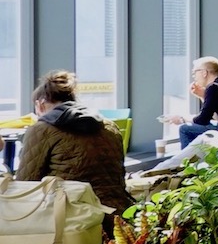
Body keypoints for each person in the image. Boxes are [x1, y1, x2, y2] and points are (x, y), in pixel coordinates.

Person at [16, 70, 131, 231]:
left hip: (71, 222)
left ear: (40, 104)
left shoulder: (42, 129)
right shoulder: (109, 126)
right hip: (117, 218)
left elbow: (25, 184)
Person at [164, 56, 218, 147]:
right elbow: (216, 116)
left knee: (184, 129)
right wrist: (202, 96)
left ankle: (189, 160)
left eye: (194, 72)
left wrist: (181, 119)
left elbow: (202, 120)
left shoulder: (213, 87)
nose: (193, 76)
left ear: (204, 73)